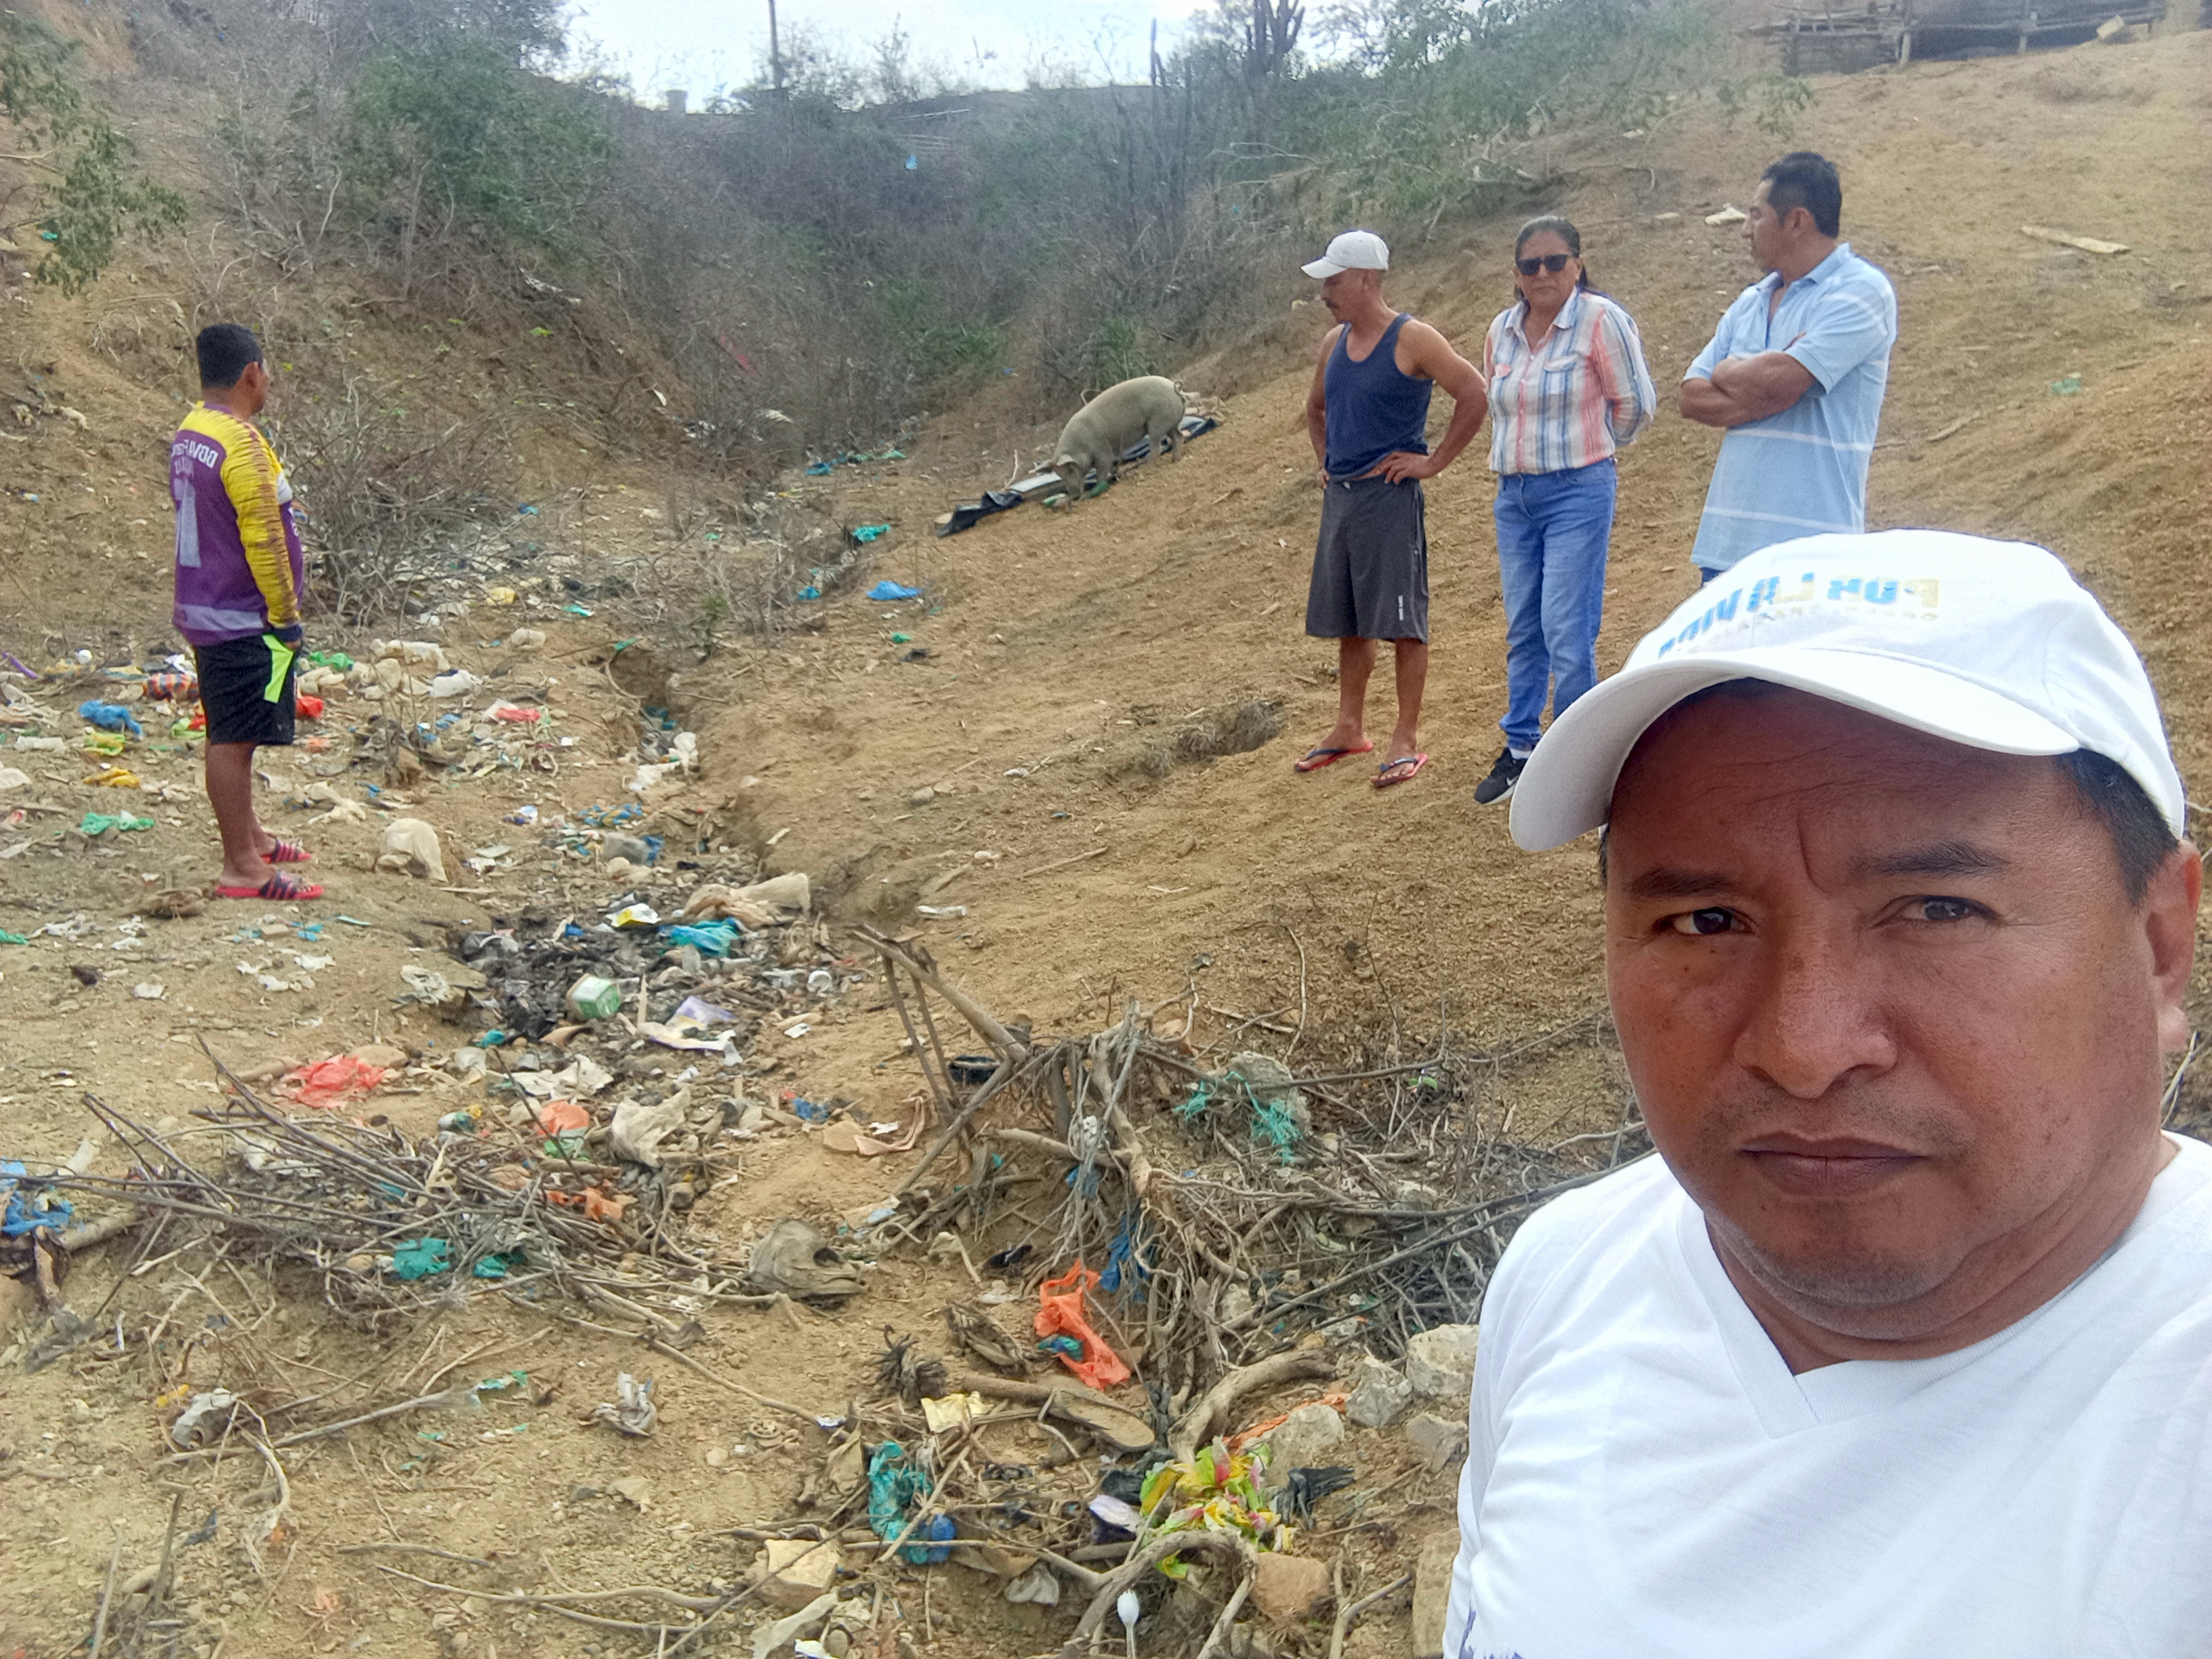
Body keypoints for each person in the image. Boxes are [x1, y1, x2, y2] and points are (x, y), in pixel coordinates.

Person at [1443, 528, 2212, 1657]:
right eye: (1705, 921)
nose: (1804, 1050)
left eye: (1937, 909)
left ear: (2157, 946)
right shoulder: (1568, 1275)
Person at [1469, 215, 1656, 809]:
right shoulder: (1501, 330)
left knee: (1567, 628)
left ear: (1578, 264)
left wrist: (1587, 451)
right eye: (1531, 265)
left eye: (1555, 261)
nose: (1543, 274)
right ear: (1517, 273)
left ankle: (1578, 762)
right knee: (1525, 625)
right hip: (1514, 496)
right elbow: (1499, 404)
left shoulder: (1600, 320)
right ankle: (1522, 748)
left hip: (1577, 490)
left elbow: (1635, 405)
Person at [1296, 228, 1488, 790]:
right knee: (1350, 619)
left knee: (1404, 621)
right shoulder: (1333, 343)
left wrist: (1433, 463)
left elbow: (1474, 393)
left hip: (1389, 500)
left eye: (1333, 282)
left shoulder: (1414, 339)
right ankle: (1349, 726)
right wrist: (1326, 461)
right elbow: (1315, 409)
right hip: (1343, 499)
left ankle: (1405, 738)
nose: (1324, 293)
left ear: (1365, 279)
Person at [1679, 152, 1896, 583]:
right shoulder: (1750, 301)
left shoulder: (1863, 291)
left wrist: (1728, 372)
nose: (1745, 230)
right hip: (1726, 547)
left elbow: (1779, 383)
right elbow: (1690, 397)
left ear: (1796, 221)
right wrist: (1768, 382)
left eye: (1757, 215)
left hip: (1814, 552)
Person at [171, 322, 323, 902]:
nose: (269, 381)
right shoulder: (241, 444)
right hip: (241, 615)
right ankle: (242, 867)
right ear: (251, 373)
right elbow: (264, 540)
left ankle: (252, 836)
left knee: (234, 729)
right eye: (267, 371)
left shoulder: (193, 430)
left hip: (205, 604)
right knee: (234, 738)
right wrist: (285, 616)